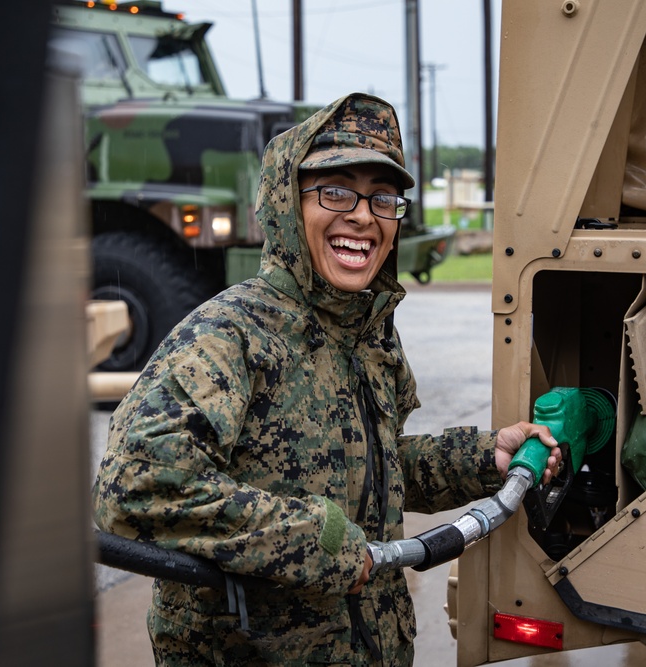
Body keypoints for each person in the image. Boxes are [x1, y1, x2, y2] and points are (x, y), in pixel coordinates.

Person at [92, 92, 561, 666]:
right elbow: (135, 491)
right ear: (288, 204)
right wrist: (315, 542)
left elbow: (365, 471)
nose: (363, 216)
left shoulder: (369, 335)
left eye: (382, 198)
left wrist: (479, 457)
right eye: (335, 191)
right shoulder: (228, 336)